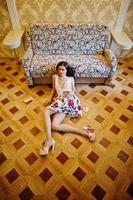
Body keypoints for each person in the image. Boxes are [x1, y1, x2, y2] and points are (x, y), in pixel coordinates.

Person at [40, 61, 96, 156]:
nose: (60, 71)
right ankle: (84, 132)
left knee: (46, 111)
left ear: (66, 70)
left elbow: (74, 92)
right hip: (60, 101)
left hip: (69, 101)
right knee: (54, 126)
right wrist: (49, 99)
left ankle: (48, 141)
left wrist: (79, 105)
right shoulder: (55, 77)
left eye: (63, 69)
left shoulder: (71, 78)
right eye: (59, 69)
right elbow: (53, 89)